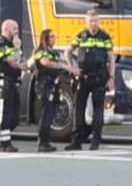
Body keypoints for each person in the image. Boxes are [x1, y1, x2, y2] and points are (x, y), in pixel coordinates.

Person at [65, 8, 115, 151]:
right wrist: (72, 67)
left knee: (98, 110)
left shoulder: (105, 37)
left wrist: (111, 78)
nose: (94, 24)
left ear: (99, 22)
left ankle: (95, 141)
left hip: (99, 77)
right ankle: (76, 141)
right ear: (86, 22)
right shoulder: (81, 35)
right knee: (78, 109)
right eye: (91, 21)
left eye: (96, 21)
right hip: (83, 77)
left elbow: (111, 59)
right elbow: (68, 51)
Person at [31, 28, 78, 153]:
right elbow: (46, 63)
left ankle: (46, 141)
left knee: (51, 114)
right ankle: (42, 142)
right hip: (44, 85)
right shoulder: (40, 51)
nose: (54, 39)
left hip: (53, 85)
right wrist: (62, 65)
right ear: (45, 38)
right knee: (46, 114)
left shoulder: (53, 52)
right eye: (51, 37)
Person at [0, 19, 24, 152]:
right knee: (5, 113)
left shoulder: (10, 44)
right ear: (7, 29)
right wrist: (16, 48)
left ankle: (0, 140)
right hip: (6, 81)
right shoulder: (0, 44)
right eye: (14, 29)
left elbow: (18, 62)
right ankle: (4, 143)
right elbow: (12, 61)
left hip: (13, 81)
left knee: (13, 115)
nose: (17, 32)